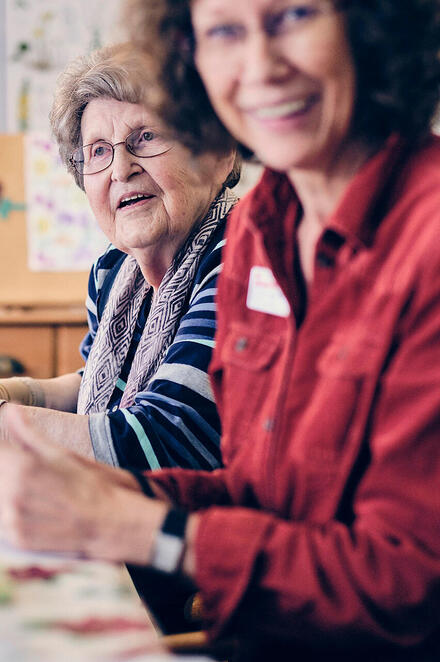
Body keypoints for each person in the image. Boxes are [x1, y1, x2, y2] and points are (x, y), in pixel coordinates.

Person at [1, 1, 440, 660]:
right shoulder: (269, 225)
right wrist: (119, 495)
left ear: (372, 25)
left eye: (293, 16)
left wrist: (147, 529)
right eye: (224, 31)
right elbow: (262, 490)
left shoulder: (424, 239)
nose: (258, 67)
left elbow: (406, 589)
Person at [0, 43, 239, 472]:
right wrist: (20, 393)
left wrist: (6, 424)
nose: (119, 169)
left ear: (219, 155)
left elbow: (164, 438)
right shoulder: (112, 273)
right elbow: (102, 383)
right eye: (97, 151)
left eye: (145, 137)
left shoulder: (244, 261)